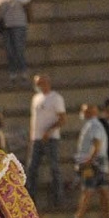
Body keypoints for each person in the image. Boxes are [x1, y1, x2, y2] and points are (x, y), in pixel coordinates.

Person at [66, 103, 109, 218]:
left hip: (93, 165)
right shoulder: (93, 125)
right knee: (104, 190)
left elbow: (96, 144)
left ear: (91, 112)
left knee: (87, 190)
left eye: (84, 111)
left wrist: (88, 161)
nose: (82, 113)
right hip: (98, 164)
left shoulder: (94, 126)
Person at [27, 75, 66, 206]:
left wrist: (49, 131)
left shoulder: (56, 98)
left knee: (54, 168)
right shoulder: (36, 98)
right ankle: (30, 198)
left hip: (51, 139)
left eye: (40, 83)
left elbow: (62, 119)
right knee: (32, 168)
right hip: (36, 138)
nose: (38, 86)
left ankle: (58, 197)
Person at [0, 0, 32, 84]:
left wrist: (28, 23)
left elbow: (29, 12)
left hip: (19, 26)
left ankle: (23, 72)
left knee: (19, 50)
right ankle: (13, 73)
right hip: (6, 27)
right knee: (9, 51)